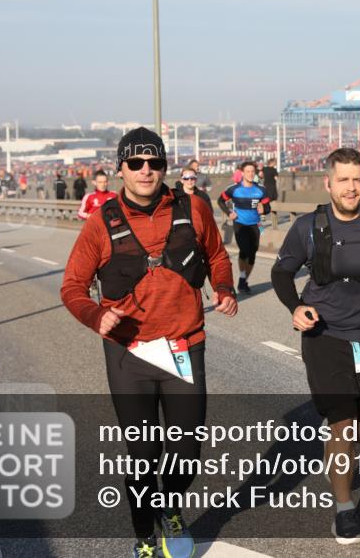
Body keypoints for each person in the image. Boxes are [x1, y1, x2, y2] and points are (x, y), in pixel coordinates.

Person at [60, 127, 237, 558]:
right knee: (143, 455)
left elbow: (215, 254)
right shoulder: (101, 224)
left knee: (187, 454)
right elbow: (72, 288)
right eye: (135, 163)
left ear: (165, 166)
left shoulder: (193, 208)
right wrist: (96, 315)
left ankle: (170, 507)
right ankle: (144, 535)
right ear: (120, 168)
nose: (145, 171)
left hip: (184, 346)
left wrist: (224, 287)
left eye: (154, 162)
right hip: (130, 354)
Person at [270, 147, 360, 544]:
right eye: (343, 180)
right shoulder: (309, 226)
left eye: (357, 179)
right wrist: (296, 307)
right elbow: (282, 272)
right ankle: (345, 510)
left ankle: (338, 458)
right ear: (328, 183)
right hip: (324, 334)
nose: (351, 188)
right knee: (342, 422)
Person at [218, 162, 270, 294]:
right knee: (244, 250)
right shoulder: (234, 189)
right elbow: (220, 200)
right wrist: (229, 213)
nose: (251, 174)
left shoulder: (261, 190)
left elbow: (268, 207)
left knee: (252, 254)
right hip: (240, 224)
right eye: (248, 171)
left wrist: (263, 210)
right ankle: (242, 279)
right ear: (242, 173)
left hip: (255, 225)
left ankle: (244, 280)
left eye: (253, 171)